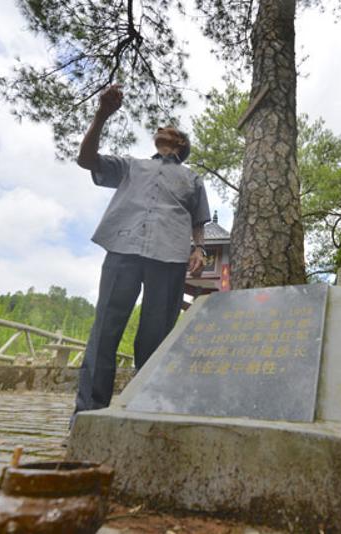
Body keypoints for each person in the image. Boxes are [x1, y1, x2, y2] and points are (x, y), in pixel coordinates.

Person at [71, 84, 210, 427]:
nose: (161, 128)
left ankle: (144, 412)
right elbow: (86, 160)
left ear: (179, 143)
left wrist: (199, 249)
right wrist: (101, 115)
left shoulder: (192, 179)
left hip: (170, 255)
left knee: (155, 334)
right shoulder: (130, 166)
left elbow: (198, 220)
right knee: (105, 328)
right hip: (123, 246)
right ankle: (87, 416)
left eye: (170, 129)